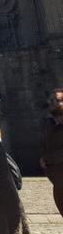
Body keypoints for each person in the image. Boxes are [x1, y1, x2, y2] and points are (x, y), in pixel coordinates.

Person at [42, 88, 63, 217]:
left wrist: (47, 159)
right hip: (58, 182)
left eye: (57, 100)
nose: (53, 103)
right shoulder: (53, 126)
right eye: (51, 100)